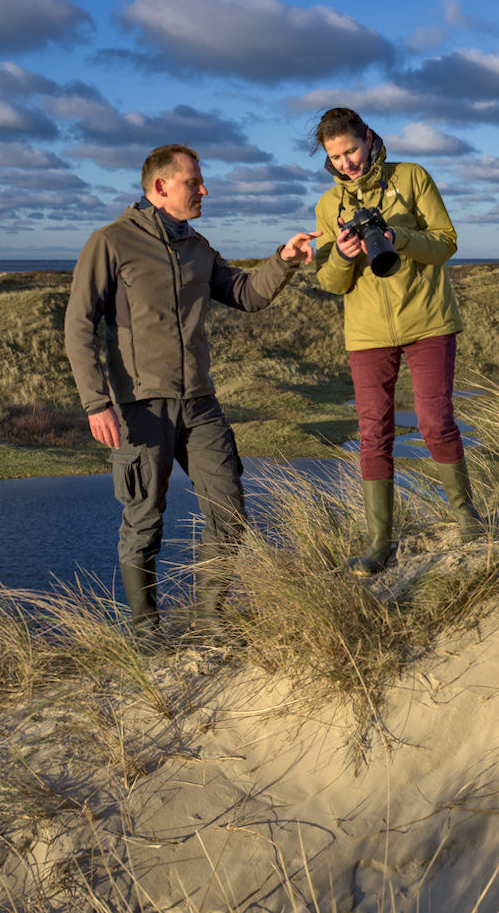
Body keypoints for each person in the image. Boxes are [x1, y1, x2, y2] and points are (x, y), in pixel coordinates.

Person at [65, 143, 318, 646]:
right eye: (193, 182)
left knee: (229, 511)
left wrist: (284, 260)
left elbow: (247, 294)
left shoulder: (199, 248)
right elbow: (79, 325)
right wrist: (97, 402)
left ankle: (208, 620)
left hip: (200, 403)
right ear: (160, 187)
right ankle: (146, 630)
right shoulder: (111, 242)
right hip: (140, 406)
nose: (204, 190)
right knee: (144, 519)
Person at [312, 107, 484, 576]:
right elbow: (330, 282)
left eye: (351, 150)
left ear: (368, 138)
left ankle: (465, 512)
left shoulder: (411, 177)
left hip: (428, 320)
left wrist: (397, 237)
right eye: (336, 156)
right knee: (373, 433)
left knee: (434, 420)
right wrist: (345, 256)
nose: (346, 162)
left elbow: (446, 242)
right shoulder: (329, 206)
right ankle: (379, 542)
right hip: (366, 333)